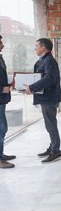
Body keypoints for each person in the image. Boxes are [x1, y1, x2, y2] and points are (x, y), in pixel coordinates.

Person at [25, 38, 61, 163]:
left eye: (37, 46)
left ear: (43, 48)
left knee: (51, 125)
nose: (35, 48)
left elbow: (49, 79)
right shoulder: (44, 60)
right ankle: (53, 146)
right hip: (45, 96)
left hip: (49, 97)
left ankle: (55, 151)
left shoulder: (49, 61)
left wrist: (32, 87)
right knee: (49, 124)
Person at [0, 35, 16, 169]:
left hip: (2, 98)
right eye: (0, 42)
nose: (3, 45)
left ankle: (1, 155)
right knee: (2, 128)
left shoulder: (0, 57)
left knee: (2, 128)